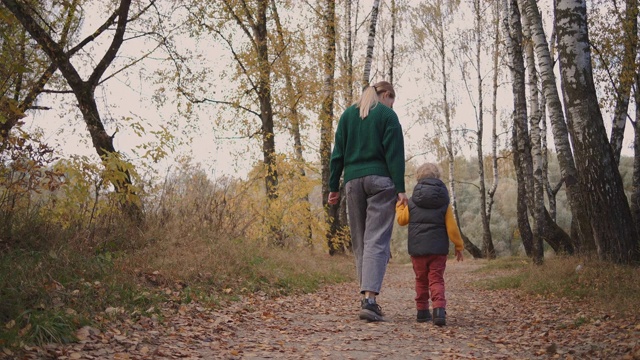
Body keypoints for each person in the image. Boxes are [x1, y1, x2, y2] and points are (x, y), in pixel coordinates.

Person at [327, 80, 408, 322]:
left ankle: (366, 298)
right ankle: (370, 300)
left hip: (352, 182)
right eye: (392, 99)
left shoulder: (347, 116)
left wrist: (333, 187)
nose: (392, 104)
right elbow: (395, 155)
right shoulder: (387, 116)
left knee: (360, 240)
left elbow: (337, 154)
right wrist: (401, 189)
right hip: (381, 182)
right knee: (377, 240)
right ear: (385, 95)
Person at [396, 163, 464, 326]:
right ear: (438, 178)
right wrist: (459, 246)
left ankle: (422, 312)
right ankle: (439, 311)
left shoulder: (412, 201)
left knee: (421, 280)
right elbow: (452, 227)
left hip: (418, 250)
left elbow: (402, 220)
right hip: (438, 250)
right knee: (436, 280)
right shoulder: (443, 202)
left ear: (418, 178)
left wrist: (399, 207)